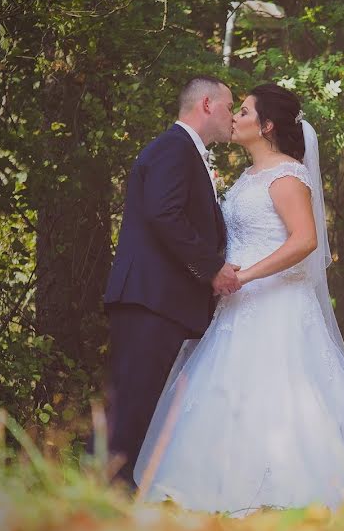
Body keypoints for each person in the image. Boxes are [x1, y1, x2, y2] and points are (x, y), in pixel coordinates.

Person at [133, 83, 344, 515]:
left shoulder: (287, 175)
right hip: (236, 306)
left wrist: (246, 277)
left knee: (283, 397)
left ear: (267, 125)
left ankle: (289, 503)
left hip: (276, 306)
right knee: (221, 398)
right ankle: (214, 502)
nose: (235, 117)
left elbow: (305, 240)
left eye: (244, 111)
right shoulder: (248, 177)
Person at [101, 76, 241, 488]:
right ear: (207, 104)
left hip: (161, 302)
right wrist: (212, 267)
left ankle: (114, 493)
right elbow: (164, 214)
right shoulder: (173, 148)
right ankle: (105, 498)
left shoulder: (184, 152)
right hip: (149, 300)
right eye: (230, 107)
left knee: (141, 407)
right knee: (130, 406)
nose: (233, 117)